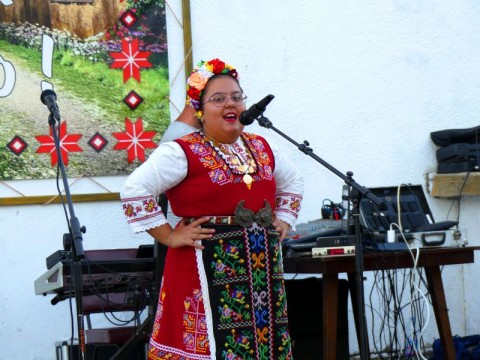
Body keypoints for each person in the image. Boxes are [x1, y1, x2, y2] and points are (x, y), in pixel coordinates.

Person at [120, 58, 304, 359]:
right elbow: (134, 190)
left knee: (263, 343)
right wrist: (169, 236)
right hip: (201, 264)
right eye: (218, 99)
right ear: (200, 111)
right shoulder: (181, 150)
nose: (230, 104)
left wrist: (284, 218)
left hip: (260, 266)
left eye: (236, 97)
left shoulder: (261, 146)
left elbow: (293, 180)